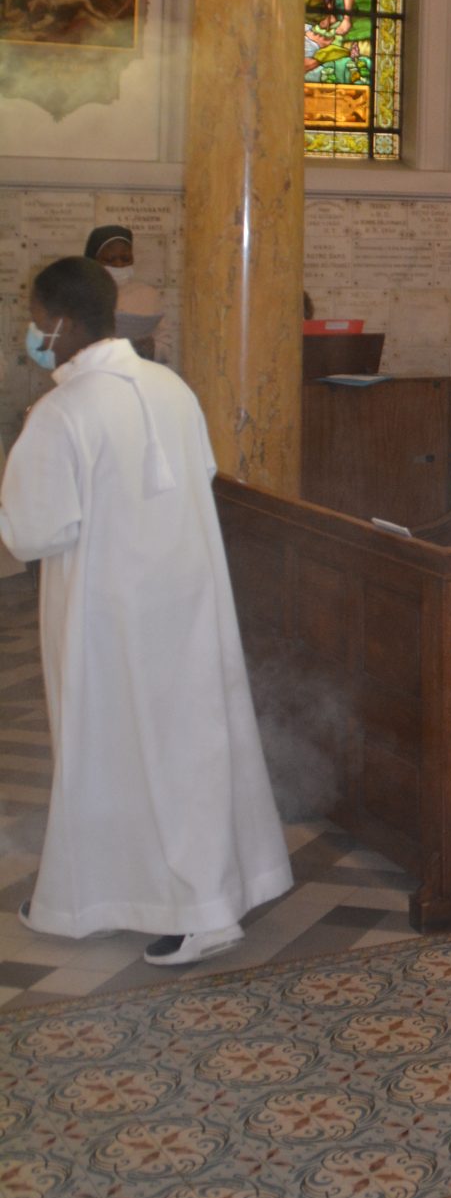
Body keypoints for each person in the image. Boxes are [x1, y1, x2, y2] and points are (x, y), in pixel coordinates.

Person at [0, 257, 291, 963]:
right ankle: (98, 894)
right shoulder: (168, 386)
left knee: (124, 752)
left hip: (108, 616)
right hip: (186, 600)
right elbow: (202, 476)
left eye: (36, 321)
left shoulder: (62, 410)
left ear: (62, 322)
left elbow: (33, 531)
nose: (34, 334)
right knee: (184, 747)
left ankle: (202, 911)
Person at [84, 223, 164, 362]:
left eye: (126, 259)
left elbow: (166, 345)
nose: (119, 265)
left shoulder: (149, 295)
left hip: (137, 375)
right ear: (94, 261)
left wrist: (152, 348)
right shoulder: (79, 294)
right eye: (110, 259)